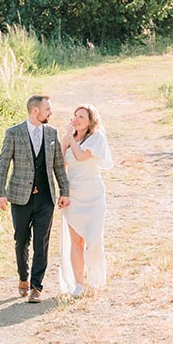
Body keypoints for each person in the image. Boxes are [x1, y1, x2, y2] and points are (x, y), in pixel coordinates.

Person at [0, 93, 70, 303]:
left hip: (46, 198)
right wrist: (0, 192)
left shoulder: (52, 133)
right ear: (35, 111)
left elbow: (58, 166)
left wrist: (64, 191)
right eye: (48, 110)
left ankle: (37, 286)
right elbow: (3, 164)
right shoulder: (14, 133)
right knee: (21, 240)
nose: (51, 113)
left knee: (41, 242)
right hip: (20, 197)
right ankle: (23, 278)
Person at [58, 103, 113, 297]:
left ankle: (96, 280)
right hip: (73, 195)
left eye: (82, 116)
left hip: (93, 195)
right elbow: (61, 164)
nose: (77, 119)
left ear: (90, 121)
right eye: (75, 115)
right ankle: (79, 284)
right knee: (76, 242)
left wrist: (70, 139)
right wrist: (65, 141)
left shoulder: (96, 138)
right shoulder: (68, 139)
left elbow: (81, 156)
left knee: (94, 240)